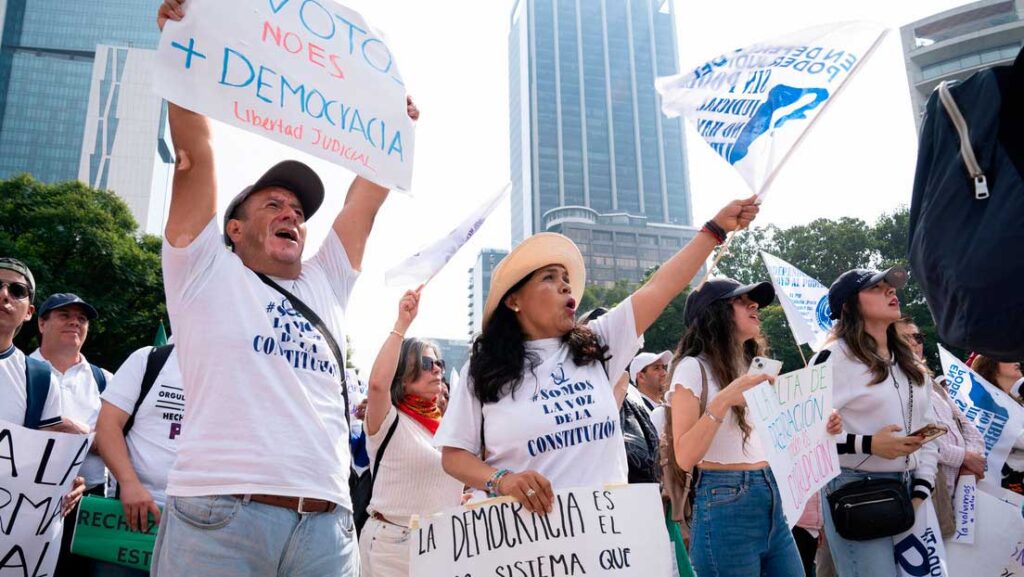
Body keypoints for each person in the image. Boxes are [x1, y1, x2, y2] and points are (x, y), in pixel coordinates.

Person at [152, 2, 419, 574]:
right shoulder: (203, 269)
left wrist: (393, 127)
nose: (291, 215)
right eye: (273, 204)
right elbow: (194, 156)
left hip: (327, 530)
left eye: (298, 210)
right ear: (234, 228)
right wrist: (183, 50)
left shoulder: (325, 281)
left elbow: (364, 204)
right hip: (219, 521)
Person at [436, 197, 760, 514]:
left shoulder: (597, 344)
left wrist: (714, 230)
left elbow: (659, 288)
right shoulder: (483, 370)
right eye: (549, 278)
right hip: (526, 545)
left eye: (566, 279)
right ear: (514, 301)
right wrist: (501, 480)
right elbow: (454, 455)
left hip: (607, 541)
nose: (566, 286)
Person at [668, 277, 807, 577]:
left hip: (770, 494)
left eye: (753, 300)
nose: (754, 305)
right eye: (742, 301)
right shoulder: (692, 367)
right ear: (714, 313)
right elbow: (684, 456)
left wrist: (821, 425)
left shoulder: (753, 367)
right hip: (725, 499)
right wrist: (725, 399)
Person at [818, 267, 938, 577]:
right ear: (848, 306)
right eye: (876, 288)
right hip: (856, 492)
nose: (890, 291)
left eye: (891, 286)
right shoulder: (832, 358)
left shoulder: (911, 362)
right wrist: (870, 444)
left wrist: (921, 490)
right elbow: (806, 439)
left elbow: (929, 429)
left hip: (911, 493)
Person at [359, 289, 463, 577]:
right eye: (427, 364)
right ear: (404, 376)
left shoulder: (449, 428)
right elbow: (378, 384)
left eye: (439, 363)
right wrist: (402, 324)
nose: (437, 370)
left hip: (442, 545)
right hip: (392, 547)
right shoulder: (388, 420)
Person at [31, 292, 112, 577]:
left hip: (87, 506)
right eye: (64, 316)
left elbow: (118, 446)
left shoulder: (106, 381)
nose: (75, 323)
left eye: (82, 319)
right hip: (23, 501)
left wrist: (79, 433)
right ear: (41, 323)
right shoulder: (16, 372)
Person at [0, 258, 86, 516]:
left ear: (28, 312)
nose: (4, 294)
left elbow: (43, 460)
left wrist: (66, 482)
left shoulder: (38, 378)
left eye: (17, 291)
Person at [94, 341, 182, 577]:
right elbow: (107, 426)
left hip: (200, 524)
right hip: (132, 516)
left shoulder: (235, 370)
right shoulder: (150, 358)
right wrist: (130, 483)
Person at [894, 317, 985, 504]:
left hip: (964, 490)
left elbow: (968, 427)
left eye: (917, 337)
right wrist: (964, 458)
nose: (914, 343)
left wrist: (970, 465)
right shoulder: (894, 386)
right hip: (931, 493)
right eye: (905, 338)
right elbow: (917, 439)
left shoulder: (934, 385)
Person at [969, 354, 1024, 494]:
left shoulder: (1015, 403)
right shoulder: (985, 404)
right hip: (998, 489)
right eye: (1007, 357)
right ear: (990, 366)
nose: (1016, 361)